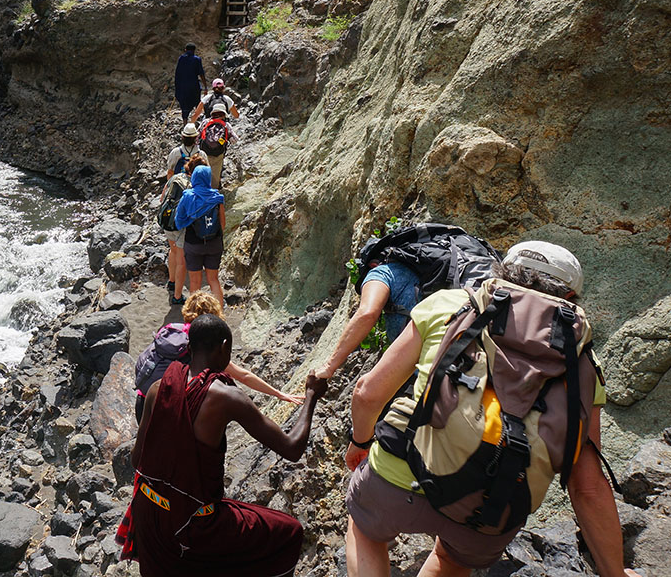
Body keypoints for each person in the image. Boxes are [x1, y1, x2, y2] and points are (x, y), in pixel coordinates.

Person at [343, 242, 640, 577]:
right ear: (569, 299)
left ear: (501, 271)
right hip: (492, 511)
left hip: (400, 475)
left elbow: (367, 393)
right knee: (453, 558)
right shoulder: (582, 362)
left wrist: (361, 441)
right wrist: (614, 572)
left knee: (364, 528)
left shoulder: (452, 305)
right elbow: (586, 485)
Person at [121, 314, 328, 576]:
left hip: (148, 513)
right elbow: (292, 448)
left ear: (191, 347)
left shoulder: (158, 389)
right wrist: (311, 396)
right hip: (193, 522)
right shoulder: (226, 397)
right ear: (224, 347)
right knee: (288, 531)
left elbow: (135, 460)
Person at [133, 292, 304, 419]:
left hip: (143, 401)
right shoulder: (203, 345)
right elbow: (243, 376)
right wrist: (280, 394)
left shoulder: (171, 331)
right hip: (166, 411)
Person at [315, 260, 420, 379]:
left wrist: (329, 366)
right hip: (443, 354)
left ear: (372, 264)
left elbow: (367, 314)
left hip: (423, 369)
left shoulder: (382, 272)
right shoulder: (431, 269)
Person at [173, 165, 225, 308]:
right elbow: (222, 224)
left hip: (193, 243)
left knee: (195, 281)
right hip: (214, 243)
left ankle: (195, 316)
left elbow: (178, 222)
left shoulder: (188, 196)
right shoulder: (217, 197)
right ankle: (219, 314)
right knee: (213, 279)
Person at [163, 152, 206, 305]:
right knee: (182, 261)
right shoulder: (193, 186)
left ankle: (171, 281)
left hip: (167, 221)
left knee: (172, 250)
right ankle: (177, 297)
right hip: (181, 226)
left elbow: (163, 198)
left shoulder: (175, 178)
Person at [197, 105, 236, 189]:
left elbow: (197, 136)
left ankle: (202, 190)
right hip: (218, 153)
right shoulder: (226, 125)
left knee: (204, 171)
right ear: (224, 114)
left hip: (204, 152)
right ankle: (214, 192)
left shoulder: (205, 122)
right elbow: (235, 139)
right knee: (215, 173)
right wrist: (223, 140)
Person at [173, 44, 206, 121]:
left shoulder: (181, 59)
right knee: (197, 103)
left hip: (183, 87)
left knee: (184, 106)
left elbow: (177, 73)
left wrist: (177, 88)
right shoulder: (197, 59)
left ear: (185, 50)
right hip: (194, 86)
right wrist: (205, 87)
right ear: (194, 50)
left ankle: (185, 124)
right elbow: (201, 73)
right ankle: (196, 122)